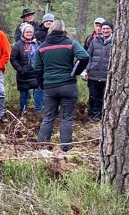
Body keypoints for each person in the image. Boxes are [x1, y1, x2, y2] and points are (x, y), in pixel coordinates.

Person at [35, 19, 89, 152]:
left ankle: (42, 146)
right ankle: (65, 147)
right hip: (68, 86)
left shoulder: (41, 47)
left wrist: (42, 83)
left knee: (48, 117)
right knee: (67, 118)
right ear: (64, 30)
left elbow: (37, 69)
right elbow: (84, 57)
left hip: (50, 87)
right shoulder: (71, 44)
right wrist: (74, 72)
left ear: (50, 30)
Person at [10, 23, 43, 115]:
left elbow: (42, 56)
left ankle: (38, 111)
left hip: (36, 73)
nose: (29, 33)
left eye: (30, 32)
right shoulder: (18, 45)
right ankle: (23, 111)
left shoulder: (38, 43)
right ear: (23, 32)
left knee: (39, 91)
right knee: (24, 93)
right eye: (27, 32)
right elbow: (13, 59)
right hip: (23, 74)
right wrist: (20, 69)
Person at [84, 20, 114, 121]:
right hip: (94, 74)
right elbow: (89, 56)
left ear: (112, 30)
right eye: (103, 28)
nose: (105, 31)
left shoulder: (115, 41)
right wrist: (86, 69)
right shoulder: (95, 40)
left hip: (107, 75)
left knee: (106, 98)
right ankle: (93, 117)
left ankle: (105, 117)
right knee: (93, 97)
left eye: (107, 29)